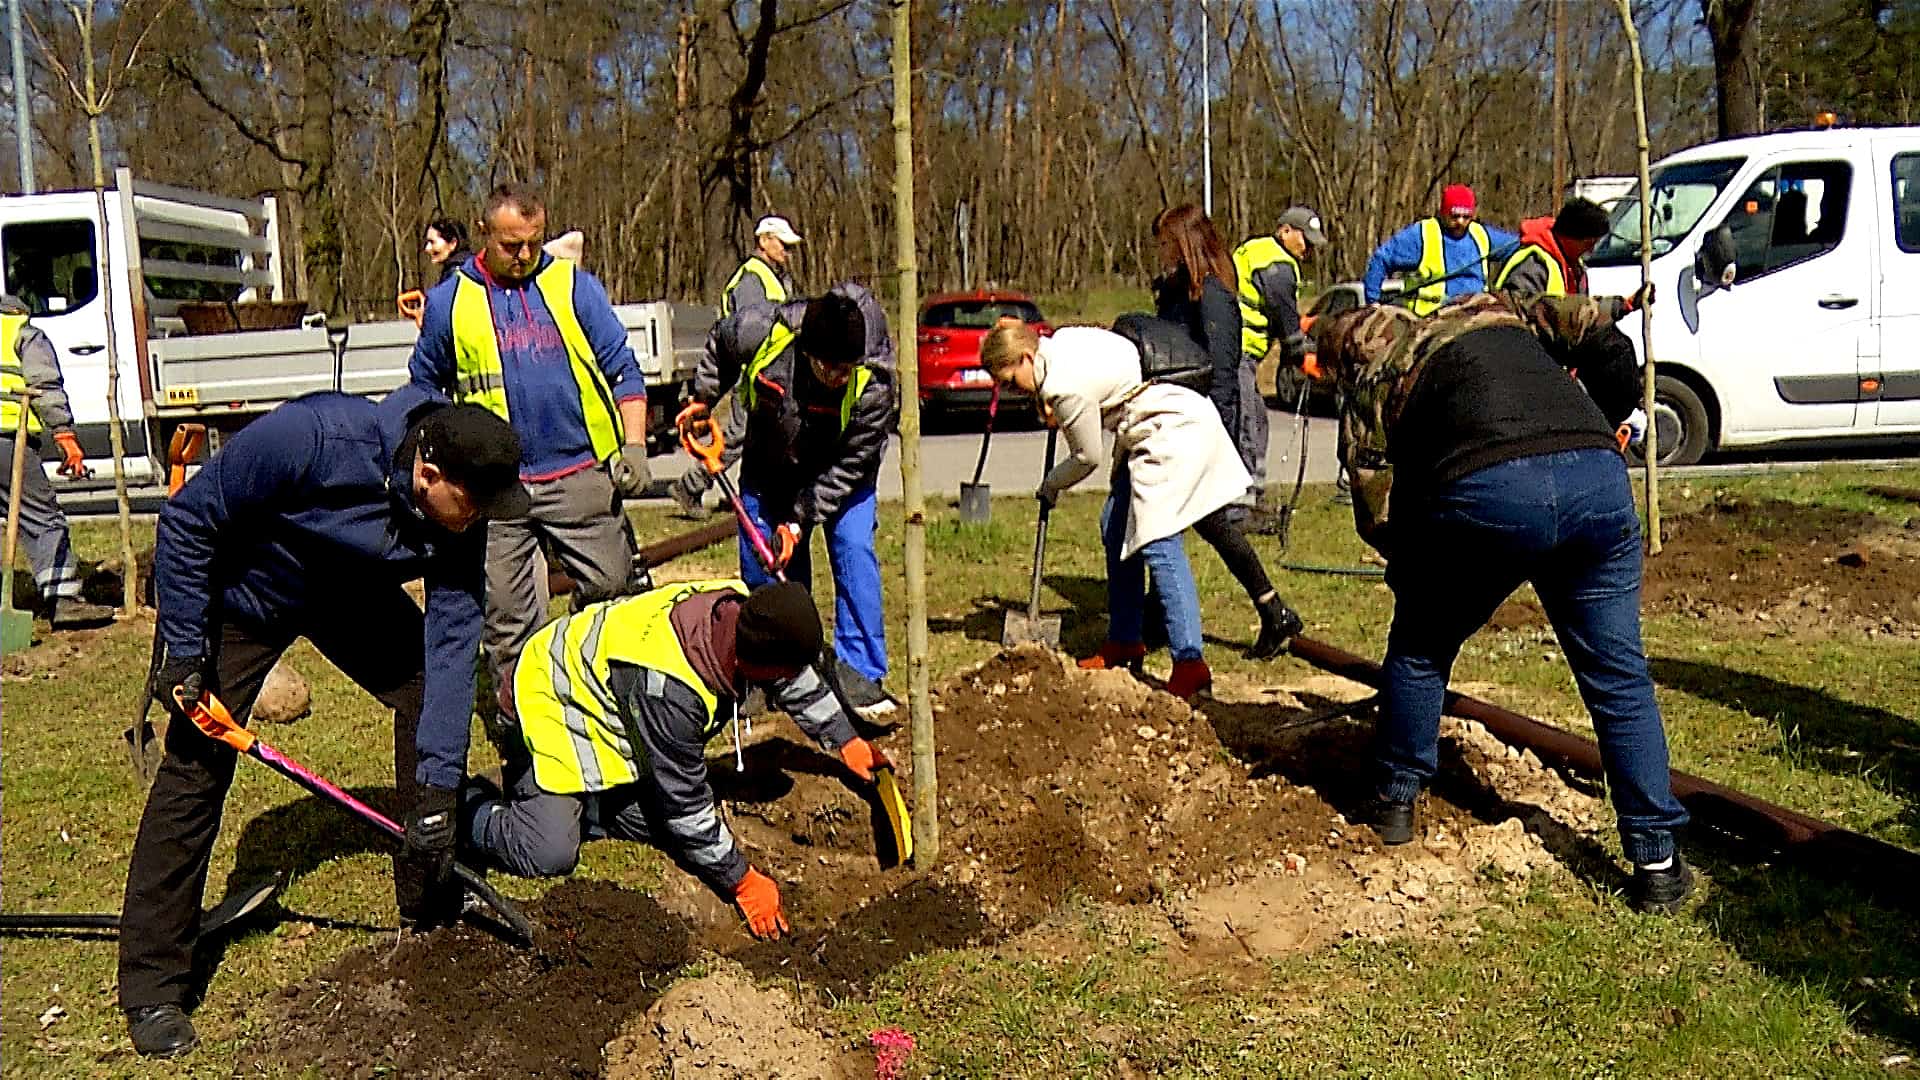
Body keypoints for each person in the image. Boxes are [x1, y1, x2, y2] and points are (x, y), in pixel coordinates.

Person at [118, 388, 527, 1059]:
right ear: (428, 473)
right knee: (196, 765)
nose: (481, 520)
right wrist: (184, 648)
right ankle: (153, 983)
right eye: (475, 505)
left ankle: (426, 909)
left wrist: (433, 795)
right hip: (250, 590)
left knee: (426, 693)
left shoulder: (461, 506)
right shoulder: (313, 439)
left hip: (349, 594)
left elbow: (454, 640)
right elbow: (189, 519)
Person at [1309, 284, 1689, 914]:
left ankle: (1396, 798)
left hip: (1489, 491)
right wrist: (1612, 404)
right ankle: (1657, 862)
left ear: (1351, 354)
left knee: (1421, 645)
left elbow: (1376, 506)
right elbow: (1599, 330)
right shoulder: (1493, 310)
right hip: (1598, 477)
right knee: (1618, 676)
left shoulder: (1376, 374)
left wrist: (1411, 571)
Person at [467, 579, 889, 940]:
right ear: (751, 664)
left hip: (604, 703)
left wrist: (844, 740)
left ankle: (564, 803)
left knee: (660, 826)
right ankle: (471, 807)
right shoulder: (671, 692)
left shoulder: (740, 611)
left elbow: (792, 678)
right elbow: (685, 805)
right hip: (544, 703)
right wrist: (742, 882)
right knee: (550, 852)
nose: (786, 681)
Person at [408, 182, 652, 703]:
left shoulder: (572, 287)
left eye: (533, 243)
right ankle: (520, 726)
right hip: (496, 492)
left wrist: (633, 446)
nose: (523, 256)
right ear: (482, 234)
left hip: (580, 476)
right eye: (510, 244)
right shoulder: (449, 302)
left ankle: (604, 702)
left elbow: (623, 370)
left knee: (613, 596)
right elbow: (423, 391)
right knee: (508, 624)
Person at [983, 318, 1273, 698]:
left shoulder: (1063, 385)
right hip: (1145, 420)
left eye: (1008, 379)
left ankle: (1191, 663)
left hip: (1170, 426)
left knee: (1159, 540)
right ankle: (1125, 640)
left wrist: (1050, 485)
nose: (1009, 390)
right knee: (1114, 525)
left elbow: (1087, 457)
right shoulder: (1063, 340)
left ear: (1025, 356)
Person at [679, 288, 897, 717]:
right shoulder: (762, 332)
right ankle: (776, 670)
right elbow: (722, 344)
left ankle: (863, 674)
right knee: (767, 570)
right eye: (828, 366)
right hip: (770, 465)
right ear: (807, 349)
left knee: (853, 549)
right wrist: (702, 398)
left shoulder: (874, 386)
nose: (837, 376)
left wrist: (798, 521)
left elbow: (852, 465)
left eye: (845, 368)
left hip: (841, 474)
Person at [1150, 205, 1302, 658]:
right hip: (1175, 416)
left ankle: (1162, 621)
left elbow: (1220, 371)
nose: (1160, 252)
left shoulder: (1213, 295)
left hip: (1200, 422)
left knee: (1166, 520)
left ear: (1187, 243)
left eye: (1166, 243)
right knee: (1210, 523)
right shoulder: (1178, 292)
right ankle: (1273, 611)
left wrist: (1211, 435)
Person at [671, 214, 803, 520]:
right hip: (757, 378)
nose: (788, 252)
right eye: (783, 245)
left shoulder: (775, 276)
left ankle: (755, 492)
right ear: (764, 241)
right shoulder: (751, 280)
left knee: (759, 438)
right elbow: (749, 333)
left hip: (775, 377)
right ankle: (690, 486)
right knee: (737, 437)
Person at [0, 295, 115, 629]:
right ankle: (63, 599)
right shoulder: (22, 333)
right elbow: (45, 384)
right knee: (41, 517)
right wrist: (64, 435)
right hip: (7, 440)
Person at [1231, 205, 1328, 513]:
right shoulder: (1278, 266)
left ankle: (1252, 498)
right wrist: (1305, 358)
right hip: (1237, 351)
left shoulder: (1256, 250)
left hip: (1234, 352)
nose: (1309, 248)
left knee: (1256, 421)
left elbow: (1276, 310)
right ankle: (1239, 510)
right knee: (1247, 426)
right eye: (1306, 240)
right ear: (1285, 231)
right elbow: (1285, 323)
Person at [1363, 185, 1519, 316]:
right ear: (1443, 212)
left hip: (1475, 311)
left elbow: (1518, 246)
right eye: (1454, 216)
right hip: (1427, 318)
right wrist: (1373, 302)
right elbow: (1381, 259)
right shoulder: (1421, 234)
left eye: (1466, 217)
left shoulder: (1482, 234)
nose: (1460, 222)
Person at [1492, 197, 1612, 297]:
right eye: (1589, 244)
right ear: (1570, 237)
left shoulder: (1574, 266)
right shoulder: (1532, 266)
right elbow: (1520, 314)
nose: (1591, 250)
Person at [423, 216, 470, 285]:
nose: (427, 248)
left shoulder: (459, 274)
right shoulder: (469, 266)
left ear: (452, 243)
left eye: (432, 242)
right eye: (427, 242)